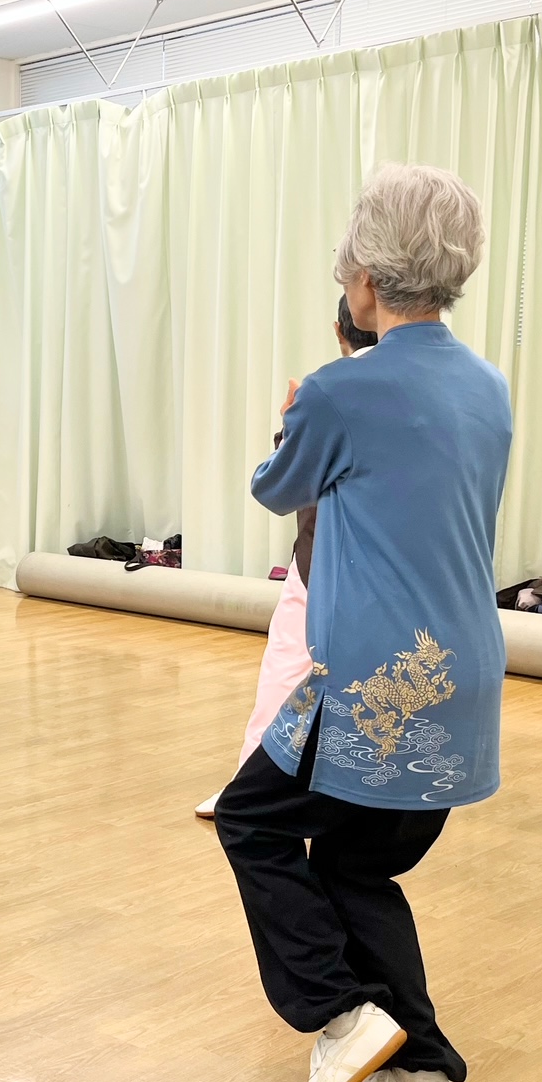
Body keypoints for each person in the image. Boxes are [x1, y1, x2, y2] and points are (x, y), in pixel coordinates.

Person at [212, 165, 512, 1082]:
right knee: (354, 864)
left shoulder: (342, 389)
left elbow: (273, 487)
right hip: (463, 672)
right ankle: (424, 1072)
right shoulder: (489, 387)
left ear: (368, 280)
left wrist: (298, 416)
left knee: (255, 819)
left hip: (372, 680)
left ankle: (341, 1015)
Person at [197, 296, 379, 818]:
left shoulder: (329, 390)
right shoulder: (438, 386)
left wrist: (288, 430)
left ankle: (249, 793)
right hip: (391, 574)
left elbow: (281, 484)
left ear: (339, 329)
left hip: (322, 563)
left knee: (286, 670)